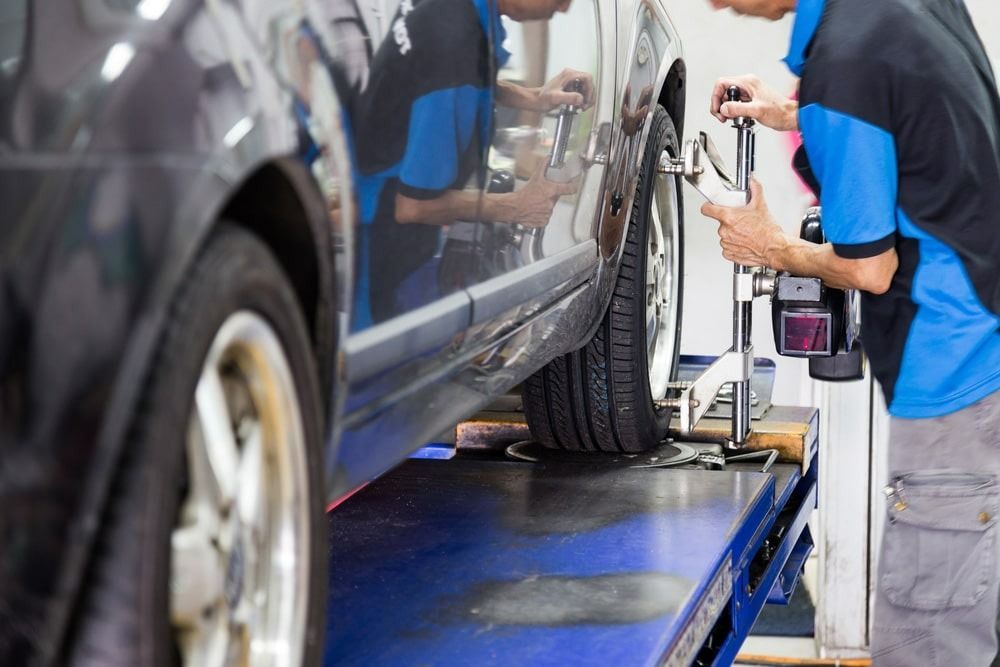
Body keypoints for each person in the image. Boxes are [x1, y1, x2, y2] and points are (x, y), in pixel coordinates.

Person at [701, 0, 1000, 664]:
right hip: (989, 351)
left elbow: (867, 267)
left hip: (953, 380)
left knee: (929, 643)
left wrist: (771, 246)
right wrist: (800, 112)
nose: (716, 3)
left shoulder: (844, 63)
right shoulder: (895, 15)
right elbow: (915, 117)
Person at [350, 0, 589, 325]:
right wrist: (516, 206)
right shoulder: (457, 46)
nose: (563, 8)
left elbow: (433, 76)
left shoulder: (456, 13)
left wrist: (534, 98)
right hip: (381, 261)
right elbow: (413, 207)